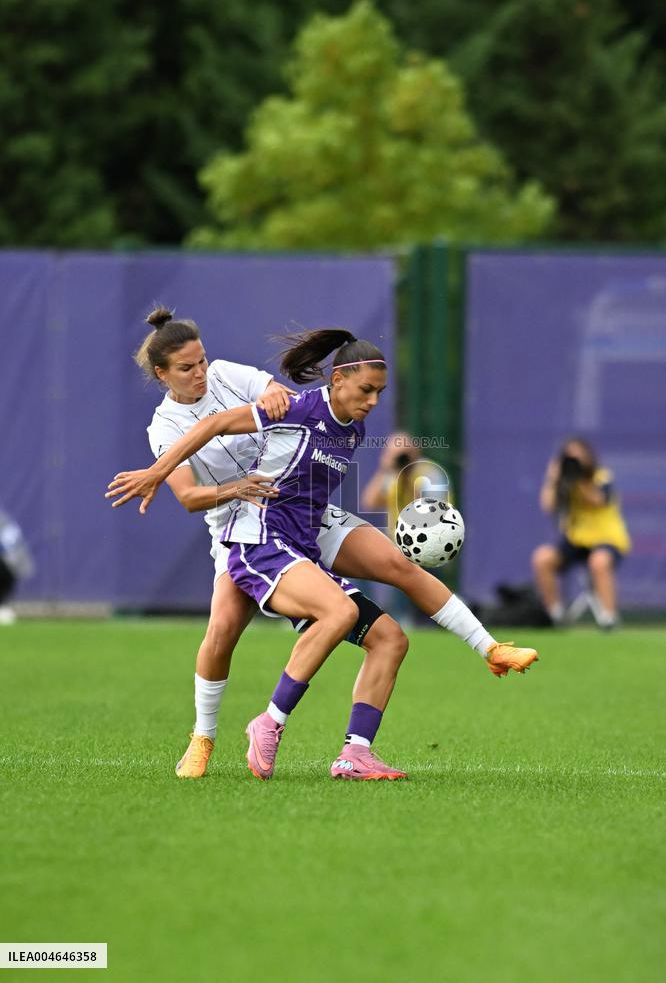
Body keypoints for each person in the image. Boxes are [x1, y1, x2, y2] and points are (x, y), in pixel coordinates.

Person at [107, 312, 538, 780]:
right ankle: (206, 736)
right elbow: (195, 484)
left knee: (394, 602)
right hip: (245, 522)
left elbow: (273, 393)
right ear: (163, 374)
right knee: (225, 630)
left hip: (304, 518)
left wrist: (273, 392)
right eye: (187, 367)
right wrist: (162, 475)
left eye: (202, 361)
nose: (200, 372)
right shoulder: (165, 426)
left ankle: (473, 660)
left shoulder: (249, 384)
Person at [532, 437, 631, 629]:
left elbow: (598, 500)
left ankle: (609, 618)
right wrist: (553, 479)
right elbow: (547, 506)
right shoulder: (563, 481)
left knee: (599, 561)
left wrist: (579, 480)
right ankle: (555, 615)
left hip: (606, 538)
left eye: (578, 457)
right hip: (576, 540)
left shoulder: (601, 476)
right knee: (542, 558)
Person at [362, 431, 451, 624]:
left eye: (403, 451)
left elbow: (431, 511)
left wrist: (408, 475)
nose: (400, 456)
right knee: (358, 559)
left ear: (415, 451)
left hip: (429, 542)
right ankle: (368, 615)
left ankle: (403, 617)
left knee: (402, 560)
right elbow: (370, 501)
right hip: (397, 542)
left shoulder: (429, 472)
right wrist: (384, 469)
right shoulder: (391, 474)